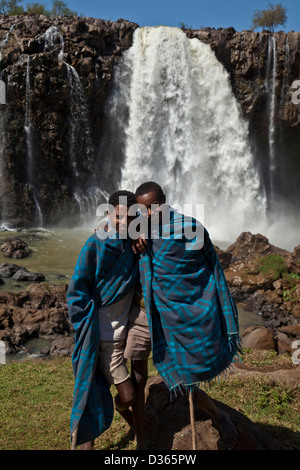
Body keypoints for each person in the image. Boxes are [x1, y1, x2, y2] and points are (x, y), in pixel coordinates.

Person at [132, 181, 240, 450]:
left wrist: (206, 299)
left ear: (164, 202)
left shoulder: (191, 228)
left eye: (152, 208)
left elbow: (210, 264)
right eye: (141, 210)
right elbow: (105, 229)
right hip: (163, 316)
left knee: (190, 368)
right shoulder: (139, 233)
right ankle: (140, 424)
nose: (147, 214)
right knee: (171, 371)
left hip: (191, 311)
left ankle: (218, 415)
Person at [67, 190, 147, 450]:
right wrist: (83, 324)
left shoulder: (132, 245)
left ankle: (127, 426)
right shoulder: (96, 243)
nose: (125, 223)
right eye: (120, 217)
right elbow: (77, 289)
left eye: (131, 218)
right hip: (99, 334)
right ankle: (129, 421)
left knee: (92, 392)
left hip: (118, 335)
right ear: (109, 213)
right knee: (125, 393)